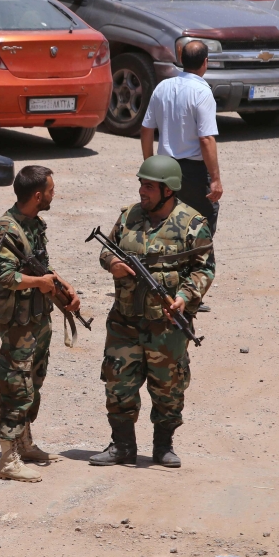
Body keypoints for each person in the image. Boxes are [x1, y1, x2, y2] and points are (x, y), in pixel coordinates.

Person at [89, 156, 214, 469]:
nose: (142, 191)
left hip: (167, 325)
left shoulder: (192, 224)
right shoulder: (130, 215)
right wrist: (111, 263)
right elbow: (109, 248)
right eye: (141, 184)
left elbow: (204, 268)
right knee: (118, 382)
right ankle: (122, 446)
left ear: (168, 190)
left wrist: (185, 297)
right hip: (125, 320)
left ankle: (163, 446)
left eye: (149, 186)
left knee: (168, 387)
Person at [0, 166, 80, 483]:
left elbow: (41, 266)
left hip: (36, 317)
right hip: (16, 322)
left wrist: (63, 286)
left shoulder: (33, 225)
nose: (53, 194)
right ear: (37, 195)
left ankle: (24, 443)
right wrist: (41, 282)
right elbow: (5, 277)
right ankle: (8, 460)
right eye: (50, 190)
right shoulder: (4, 232)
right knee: (15, 385)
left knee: (33, 382)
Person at [140, 40, 223, 251]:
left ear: (181, 60)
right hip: (193, 171)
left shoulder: (163, 87)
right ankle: (196, 264)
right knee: (202, 219)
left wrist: (150, 165)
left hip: (164, 168)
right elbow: (206, 139)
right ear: (205, 62)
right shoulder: (202, 93)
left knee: (167, 217)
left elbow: (147, 129)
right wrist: (215, 179)